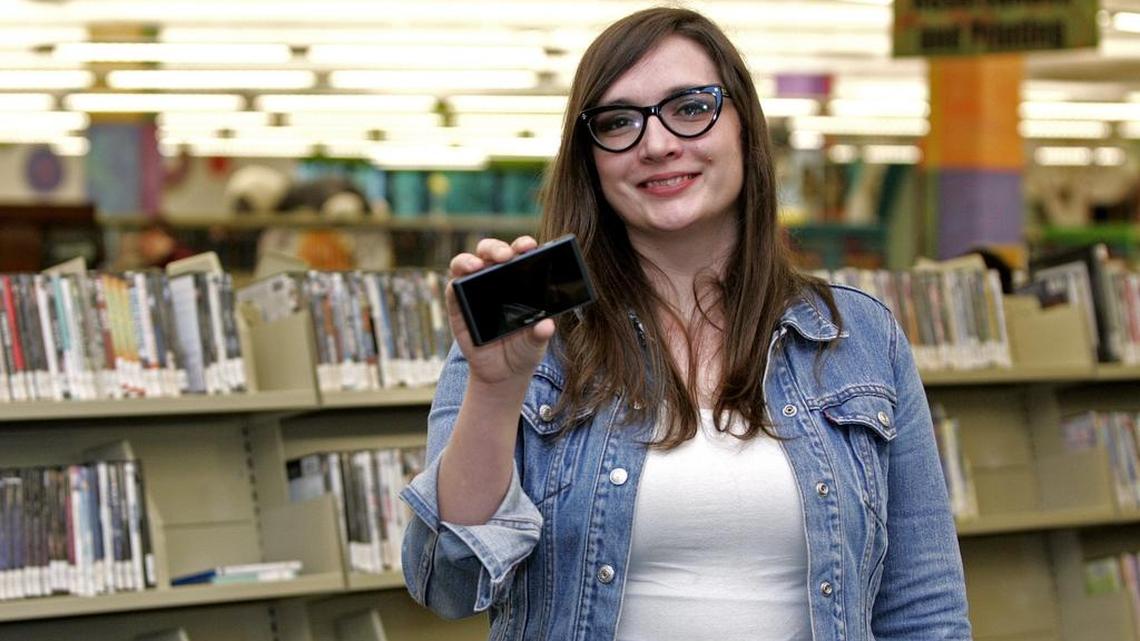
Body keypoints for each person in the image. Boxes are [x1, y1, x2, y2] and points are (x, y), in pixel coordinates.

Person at [400, 7, 971, 641]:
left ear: (744, 126)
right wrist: (496, 390)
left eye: (691, 108)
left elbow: (925, 609)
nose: (656, 144)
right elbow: (448, 585)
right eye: (618, 122)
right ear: (590, 159)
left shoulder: (856, 336)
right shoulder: (529, 335)